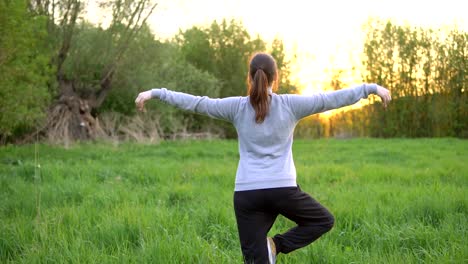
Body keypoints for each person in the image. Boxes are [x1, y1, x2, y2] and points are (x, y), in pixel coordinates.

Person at [135, 52, 391, 264]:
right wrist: (370, 88)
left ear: (249, 77)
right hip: (283, 190)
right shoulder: (290, 105)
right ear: (275, 78)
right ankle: (275, 245)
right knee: (323, 220)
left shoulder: (236, 107)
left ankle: (270, 248)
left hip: (248, 195)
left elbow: (198, 103)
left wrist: (157, 92)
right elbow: (329, 100)